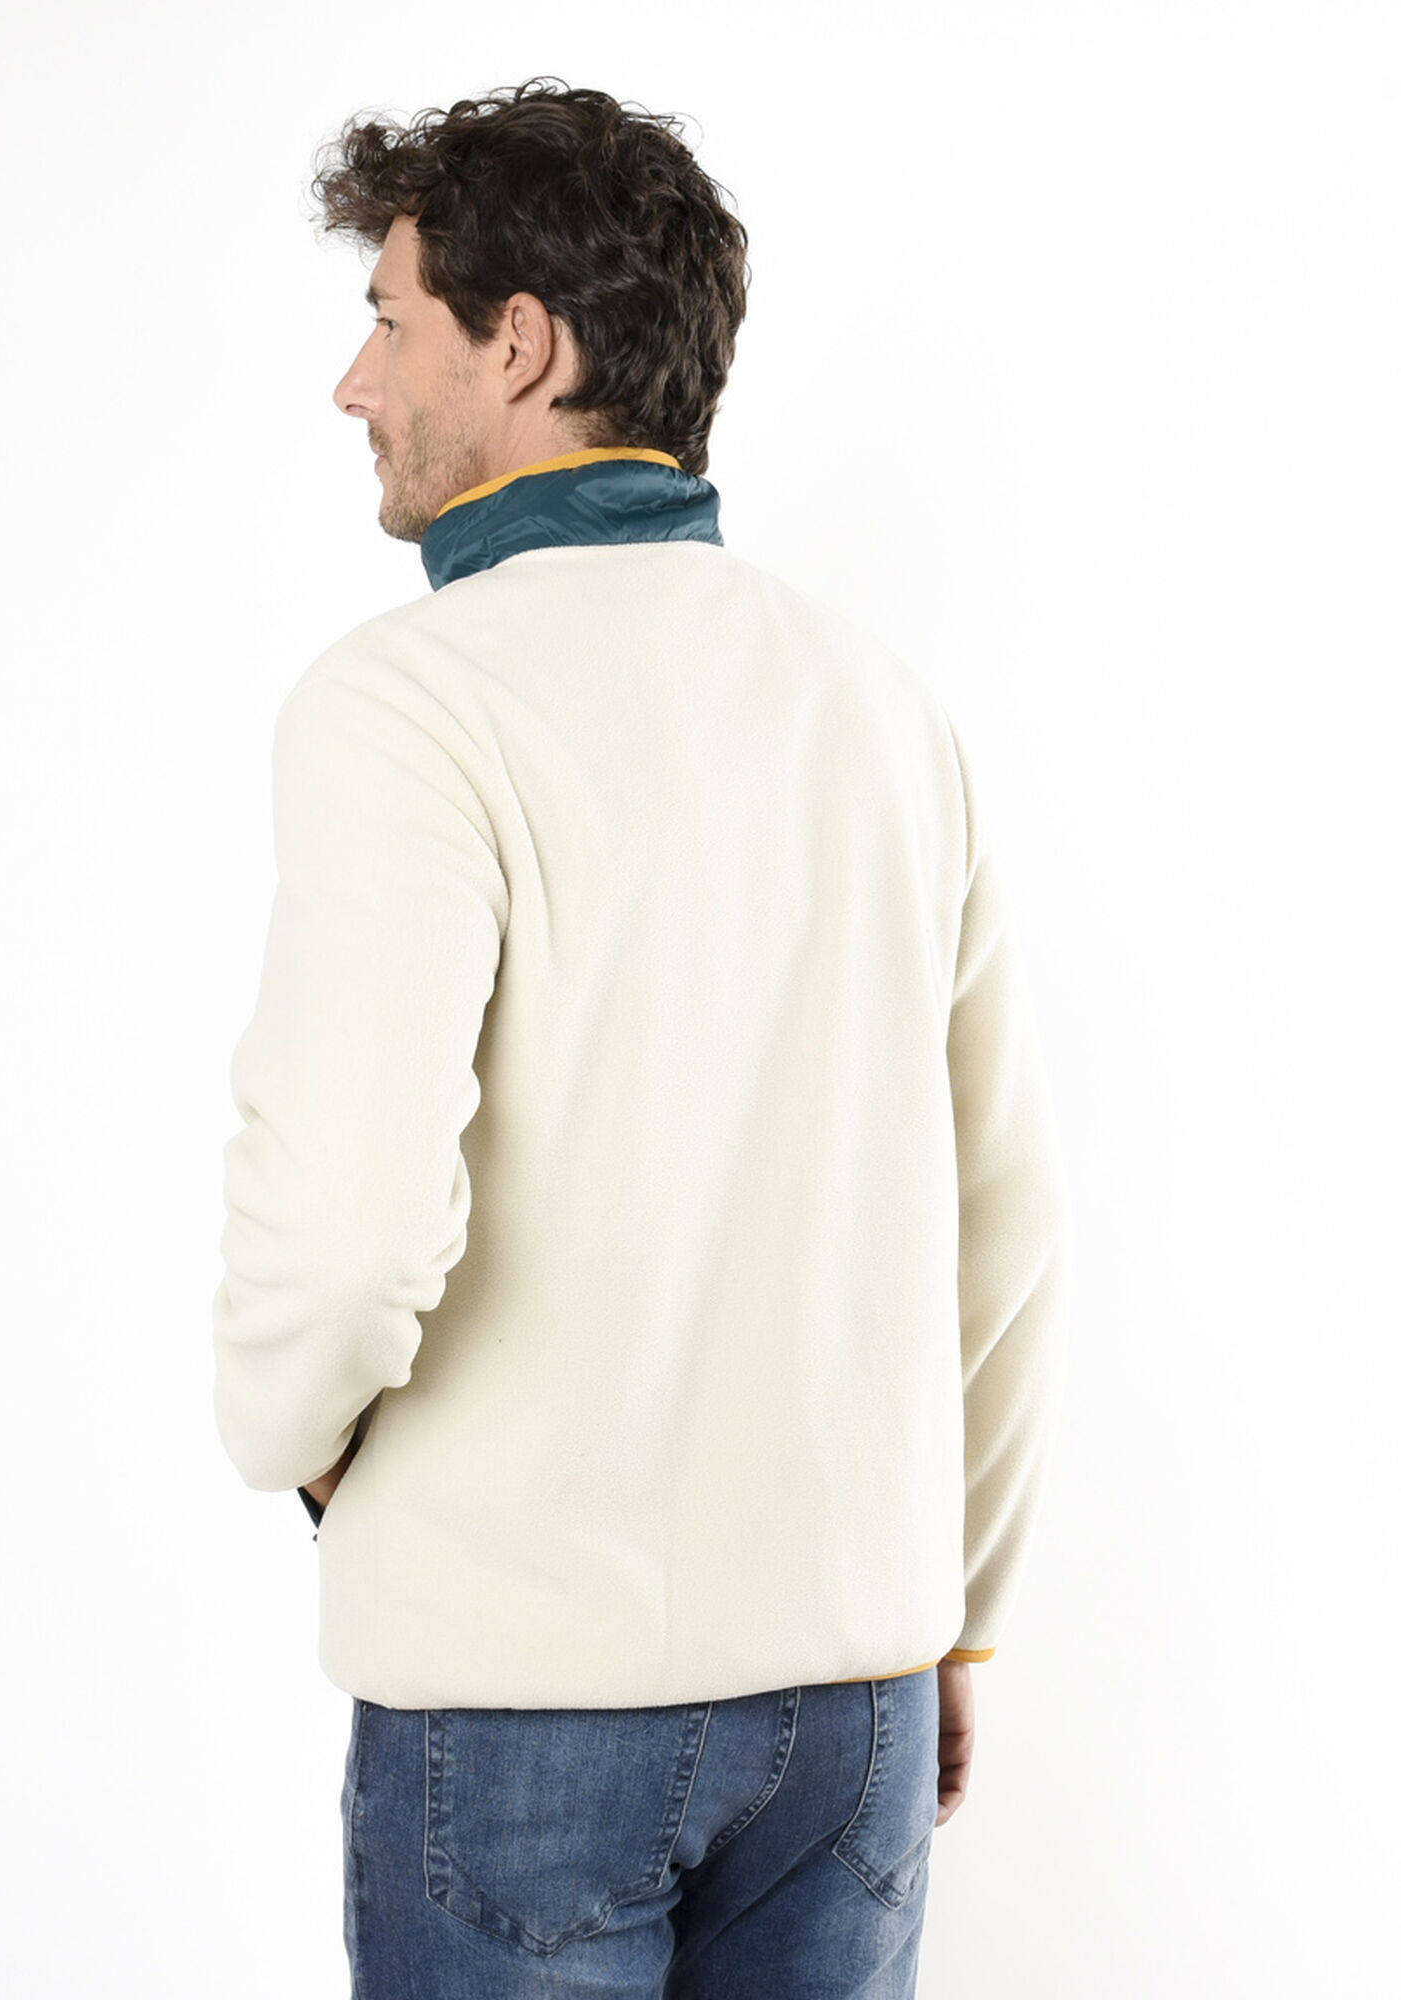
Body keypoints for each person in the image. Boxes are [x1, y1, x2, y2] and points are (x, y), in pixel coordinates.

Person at [211, 76, 1070, 1999]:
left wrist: (294, 1440)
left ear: (520, 346)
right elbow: (1007, 1216)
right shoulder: (878, 705)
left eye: (389, 320)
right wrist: (956, 1614)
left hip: (523, 1697)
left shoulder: (409, 703)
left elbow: (345, 1227)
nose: (356, 383)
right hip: (851, 1695)